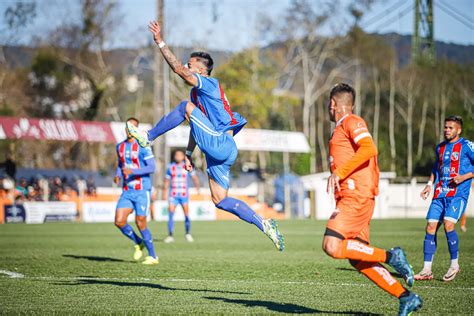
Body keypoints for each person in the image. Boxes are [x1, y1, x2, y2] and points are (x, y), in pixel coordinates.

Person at [127, 20, 284, 251]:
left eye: (190, 64)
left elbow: (178, 72)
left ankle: (148, 136)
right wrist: (189, 153)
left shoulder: (209, 83)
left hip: (220, 142)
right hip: (222, 149)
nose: (185, 66)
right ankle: (264, 224)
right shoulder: (199, 94)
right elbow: (196, 124)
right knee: (220, 199)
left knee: (183, 107)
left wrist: (160, 42)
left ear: (201, 70)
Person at [322, 83, 421, 316]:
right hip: (352, 197)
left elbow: (369, 148)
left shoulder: (351, 121)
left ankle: (391, 255)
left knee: (332, 245)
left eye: (328, 103)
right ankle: (406, 297)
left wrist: (340, 172)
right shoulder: (340, 127)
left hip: (356, 196)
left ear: (333, 104)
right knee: (358, 259)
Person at [416, 115, 473, 281]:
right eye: (445, 127)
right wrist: (429, 184)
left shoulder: (467, 146)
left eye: (451, 128)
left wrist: (464, 177)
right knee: (430, 227)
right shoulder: (440, 147)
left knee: (449, 225)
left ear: (458, 130)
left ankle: (454, 265)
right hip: (440, 193)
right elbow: (436, 167)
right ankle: (427, 270)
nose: (447, 130)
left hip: (457, 195)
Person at [114, 117, 159, 265]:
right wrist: (118, 175)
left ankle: (153, 256)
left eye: (133, 127)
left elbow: (152, 167)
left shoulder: (143, 146)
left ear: (137, 130)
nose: (130, 130)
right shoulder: (119, 146)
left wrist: (132, 171)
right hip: (127, 190)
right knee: (119, 221)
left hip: (142, 190)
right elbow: (121, 164)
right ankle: (138, 241)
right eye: (128, 127)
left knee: (141, 223)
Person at [163, 149, 201, 243]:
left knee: (186, 214)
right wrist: (164, 192)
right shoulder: (170, 167)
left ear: (183, 157)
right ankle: (170, 235)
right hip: (173, 194)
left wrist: (197, 187)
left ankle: (187, 233)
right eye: (176, 155)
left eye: (180, 155)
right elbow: (167, 180)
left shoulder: (187, 166)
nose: (178, 157)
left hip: (184, 194)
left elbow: (194, 177)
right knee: (171, 214)